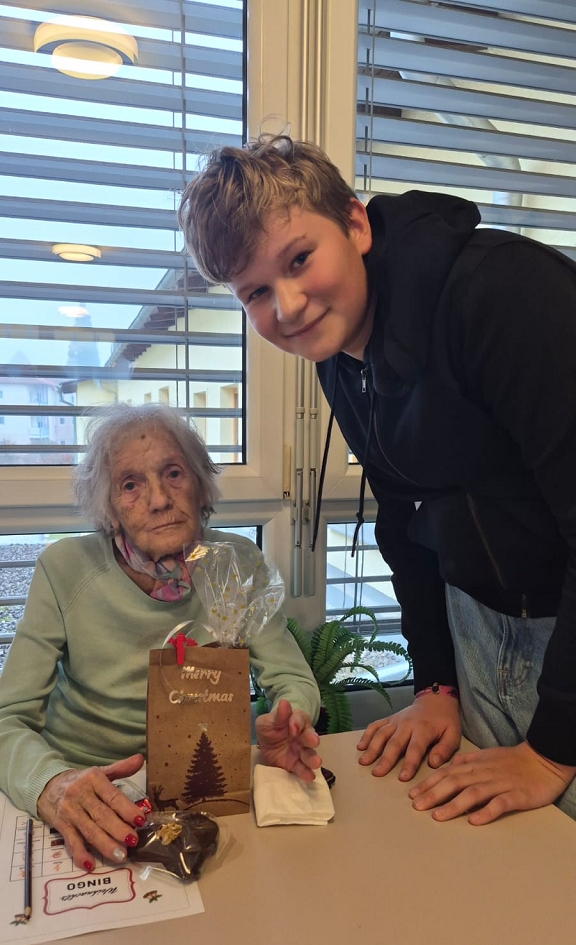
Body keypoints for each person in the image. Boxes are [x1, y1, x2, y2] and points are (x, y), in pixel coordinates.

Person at [177, 134, 576, 825]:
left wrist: (551, 751)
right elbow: (402, 519)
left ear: (355, 224)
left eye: (299, 259)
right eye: (257, 292)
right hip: (478, 625)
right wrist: (436, 685)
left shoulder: (503, 292)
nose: (289, 306)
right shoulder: (339, 354)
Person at [0, 403, 321, 868]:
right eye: (130, 484)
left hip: (205, 784)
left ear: (200, 484)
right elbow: (7, 719)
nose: (158, 500)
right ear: (109, 508)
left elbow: (293, 680)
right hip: (88, 792)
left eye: (173, 473)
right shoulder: (64, 569)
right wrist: (52, 784)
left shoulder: (237, 564)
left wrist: (291, 718)